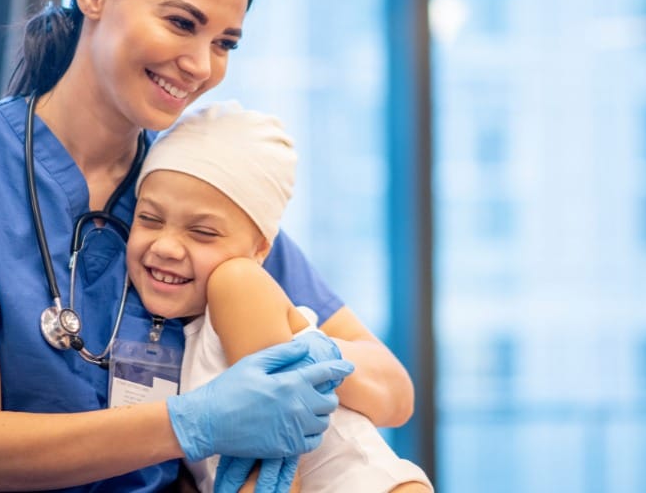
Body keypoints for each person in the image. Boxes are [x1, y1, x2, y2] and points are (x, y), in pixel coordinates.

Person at [0, 0, 413, 491]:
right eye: (182, 23)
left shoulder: (193, 189)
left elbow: (391, 388)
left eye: (224, 43)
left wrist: (303, 362)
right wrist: (195, 421)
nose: (200, 64)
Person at [126, 100, 433, 493]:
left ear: (261, 250)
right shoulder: (189, 334)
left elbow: (278, 444)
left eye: (203, 232)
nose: (167, 246)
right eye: (149, 219)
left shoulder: (237, 284)